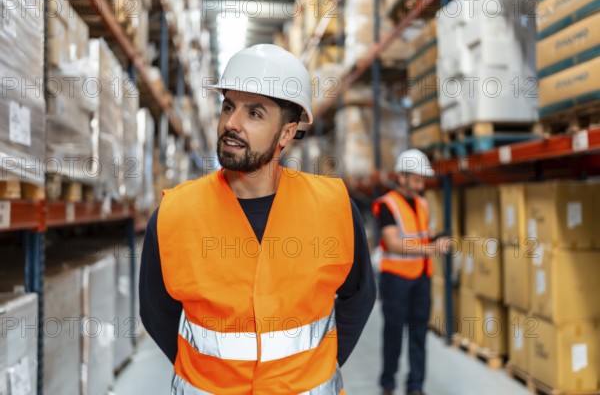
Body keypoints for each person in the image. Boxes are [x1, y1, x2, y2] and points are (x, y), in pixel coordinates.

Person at [139, 44, 376, 394]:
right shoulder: (175, 214)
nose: (231, 124)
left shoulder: (333, 206)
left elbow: (359, 295)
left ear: (286, 133)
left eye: (255, 114)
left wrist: (320, 364)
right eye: (229, 106)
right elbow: (155, 312)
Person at [372, 149, 450, 395]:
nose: (421, 184)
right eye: (416, 179)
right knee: (393, 333)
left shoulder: (423, 203)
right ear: (402, 177)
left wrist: (438, 238)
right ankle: (388, 383)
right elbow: (393, 243)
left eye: (422, 179)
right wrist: (430, 249)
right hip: (395, 278)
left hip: (421, 277)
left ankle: (415, 386)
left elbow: (422, 234)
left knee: (418, 334)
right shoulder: (387, 205)